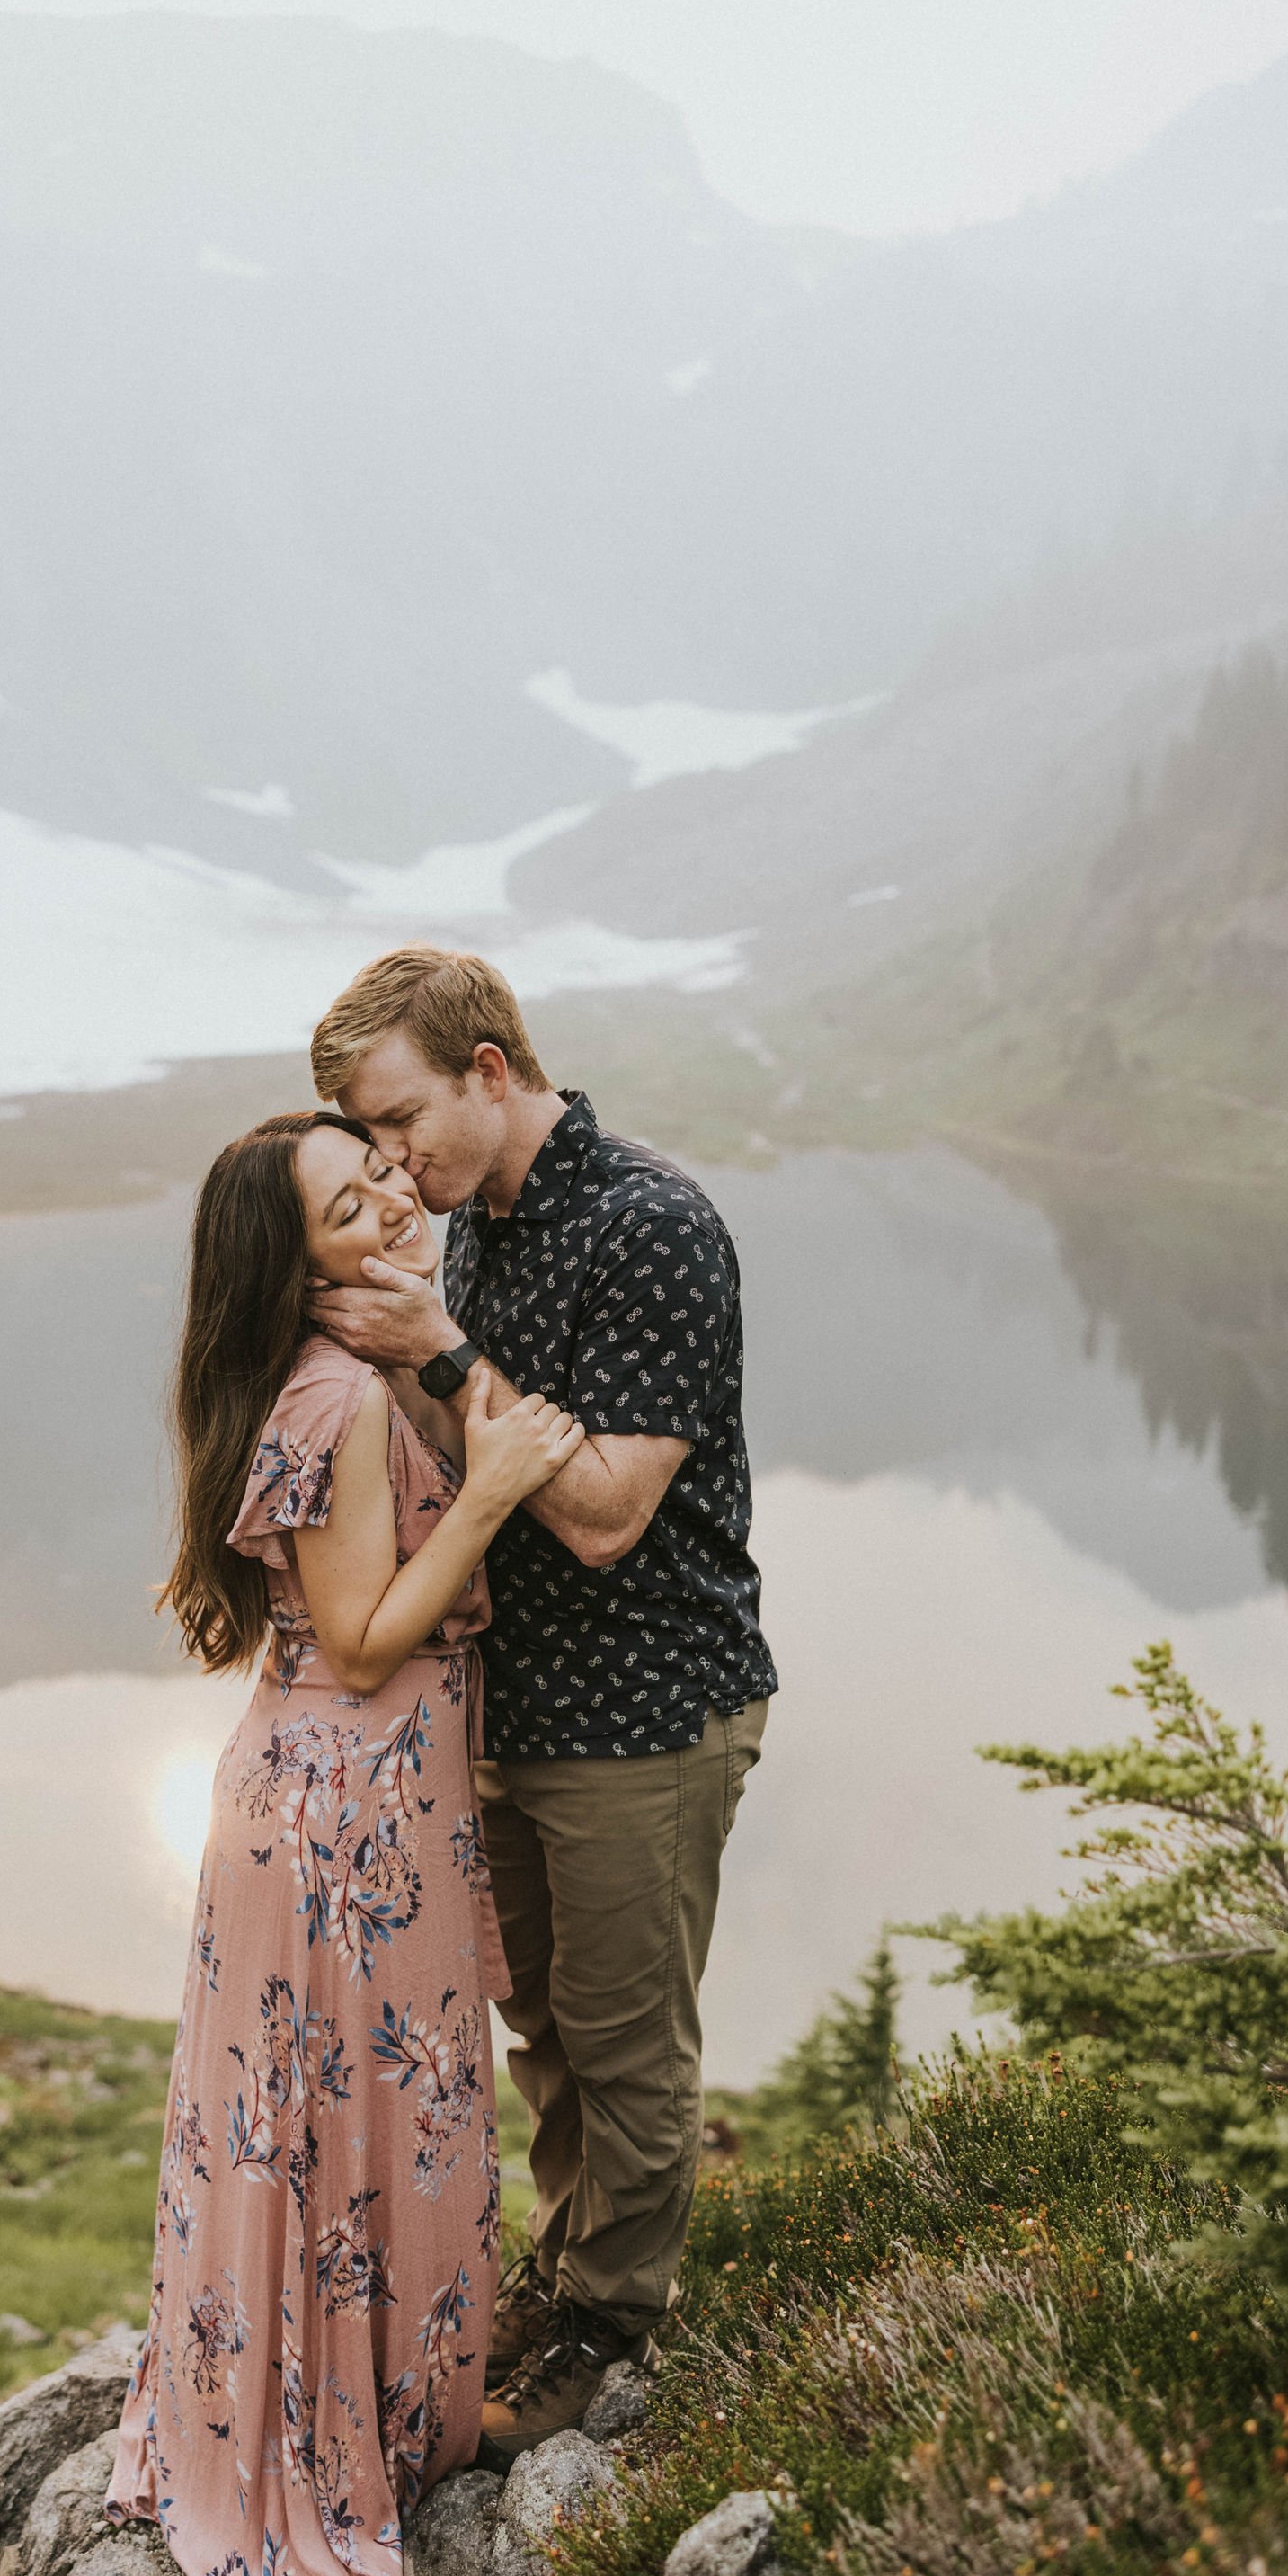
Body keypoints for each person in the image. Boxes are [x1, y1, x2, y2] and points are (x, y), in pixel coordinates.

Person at [108, 1108, 582, 2576]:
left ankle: (335, 2419)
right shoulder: (338, 1403)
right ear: (294, 1264)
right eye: (343, 1204)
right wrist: (500, 1479)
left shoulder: (328, 1377)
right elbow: (369, 1637)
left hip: (330, 1805)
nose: (385, 1197)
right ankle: (344, 2450)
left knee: (309, 2130)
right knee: (357, 2126)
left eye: (375, 1169)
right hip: (347, 1825)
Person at [307, 948, 776, 2459]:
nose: (390, 1160)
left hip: (647, 1709)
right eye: (363, 1140)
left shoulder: (652, 1227)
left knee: (628, 2040)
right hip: (516, 1712)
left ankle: (613, 2326)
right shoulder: (483, 1225)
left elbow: (597, 1514)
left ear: (489, 1070)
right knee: (550, 2034)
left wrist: (436, 1350)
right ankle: (571, 2277)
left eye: (399, 1120)